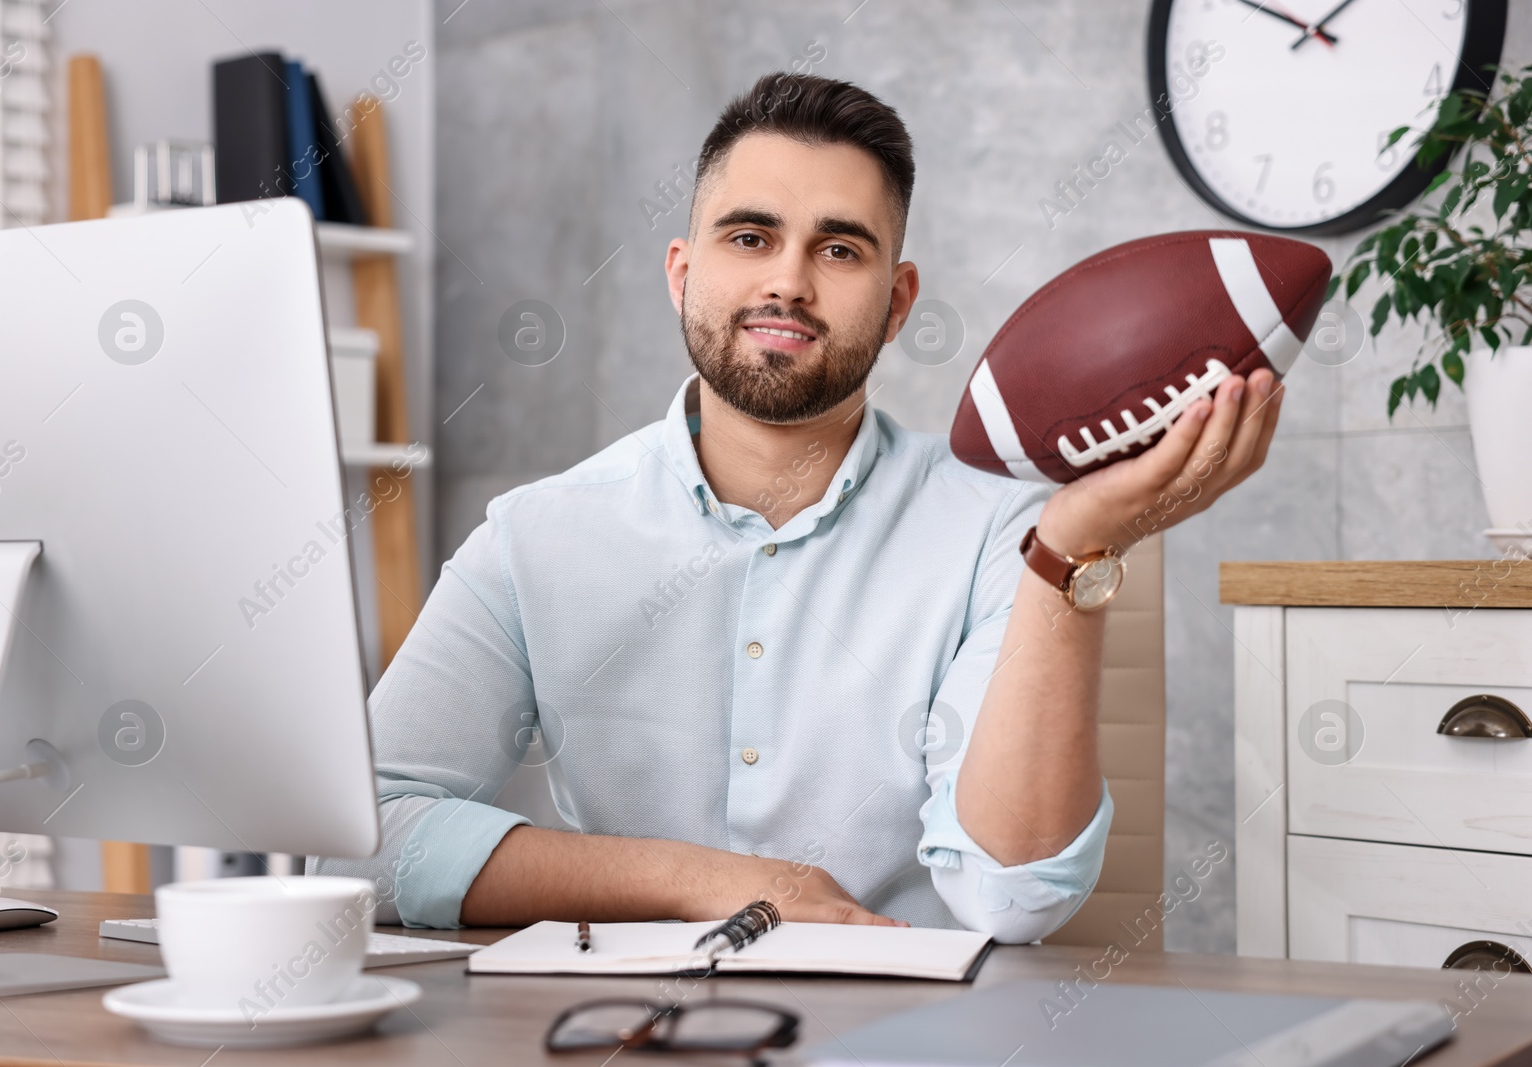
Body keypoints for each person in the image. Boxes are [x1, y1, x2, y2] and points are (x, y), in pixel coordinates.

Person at [310, 72, 1283, 940]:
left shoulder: (1002, 528)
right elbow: (355, 847)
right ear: (682, 273)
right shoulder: (534, 538)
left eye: (840, 249)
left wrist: (1071, 547)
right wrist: (711, 882)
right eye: (750, 236)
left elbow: (1012, 899)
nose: (788, 278)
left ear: (897, 303)